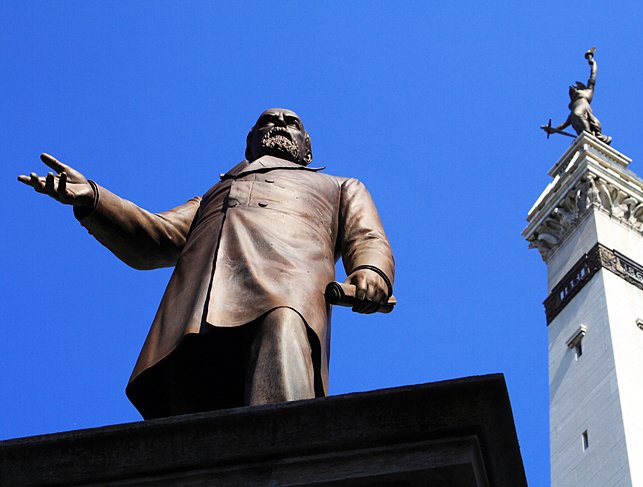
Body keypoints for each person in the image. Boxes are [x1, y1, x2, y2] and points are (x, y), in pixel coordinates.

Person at [18, 108, 395, 419]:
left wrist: (371, 272)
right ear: (249, 143)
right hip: (199, 313)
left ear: (307, 150)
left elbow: (367, 238)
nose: (278, 124)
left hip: (287, 295)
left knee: (282, 389)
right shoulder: (213, 195)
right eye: (267, 120)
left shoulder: (340, 186)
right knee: (188, 424)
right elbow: (155, 234)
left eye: (291, 122)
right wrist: (94, 200)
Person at [542, 48, 612, 144]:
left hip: (583, 107)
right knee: (575, 117)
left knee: (577, 114)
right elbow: (564, 124)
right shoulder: (572, 110)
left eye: (576, 87)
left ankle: (587, 134)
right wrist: (552, 130)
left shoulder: (588, 91)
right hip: (577, 111)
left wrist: (591, 59)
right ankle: (586, 135)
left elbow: (593, 73)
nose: (573, 88)